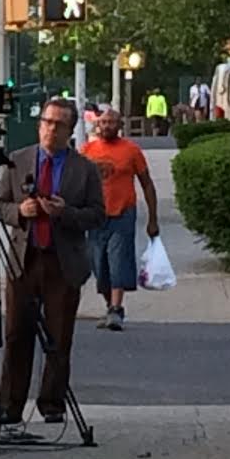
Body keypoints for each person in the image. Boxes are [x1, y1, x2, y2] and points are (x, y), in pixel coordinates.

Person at [0, 97, 105, 425]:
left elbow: (98, 215)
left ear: (70, 130)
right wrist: (19, 212)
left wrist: (65, 213)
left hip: (62, 261)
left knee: (58, 337)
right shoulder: (17, 161)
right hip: (23, 259)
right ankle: (10, 405)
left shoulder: (83, 169)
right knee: (16, 334)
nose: (50, 129)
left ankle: (52, 403)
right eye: (46, 121)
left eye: (58, 124)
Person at [81, 109, 159, 331]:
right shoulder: (87, 150)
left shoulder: (131, 150)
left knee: (118, 261)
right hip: (95, 216)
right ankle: (110, 306)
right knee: (99, 264)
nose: (106, 126)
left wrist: (153, 218)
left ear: (119, 125)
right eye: (103, 122)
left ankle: (116, 309)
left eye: (111, 122)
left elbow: (147, 184)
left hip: (123, 213)